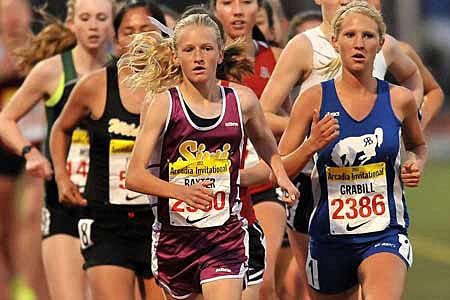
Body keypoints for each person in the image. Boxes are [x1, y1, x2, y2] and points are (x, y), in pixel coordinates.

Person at [120, 13, 298, 300]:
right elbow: (134, 175)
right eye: (189, 50)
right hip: (175, 239)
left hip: (224, 236)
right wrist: (180, 192)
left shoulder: (242, 101)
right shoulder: (163, 104)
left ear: (220, 54)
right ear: (176, 57)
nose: (198, 57)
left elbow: (267, 147)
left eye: (206, 49)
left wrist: (281, 176)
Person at [258, 0, 423, 299]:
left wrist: (415, 161)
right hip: (328, 235)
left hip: (384, 231)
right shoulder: (312, 100)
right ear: (335, 43)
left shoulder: (400, 100)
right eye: (350, 36)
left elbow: (417, 145)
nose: (359, 44)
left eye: (368, 36)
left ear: (381, 43)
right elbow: (278, 171)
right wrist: (312, 144)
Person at [49, 2, 167, 300]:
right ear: (117, 39)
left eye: (147, 30)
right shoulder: (96, 85)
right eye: (129, 31)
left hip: (160, 221)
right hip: (107, 222)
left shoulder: (176, 88)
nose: (139, 38)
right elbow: (60, 129)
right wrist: (62, 178)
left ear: (164, 37)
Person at [0, 0, 114, 299]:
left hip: (114, 208)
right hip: (64, 203)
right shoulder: (51, 70)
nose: (92, 26)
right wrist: (30, 153)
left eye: (101, 18)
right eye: (85, 18)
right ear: (71, 23)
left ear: (112, 24)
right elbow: (6, 119)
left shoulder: (123, 71)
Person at [212, 1, 287, 298]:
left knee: (263, 281)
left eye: (246, 2)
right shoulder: (201, 60)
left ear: (259, 7)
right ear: (214, 8)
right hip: (215, 184)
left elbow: (291, 119)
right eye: (228, 3)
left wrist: (286, 161)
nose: (238, 11)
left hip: (263, 181)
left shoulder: (277, 57)